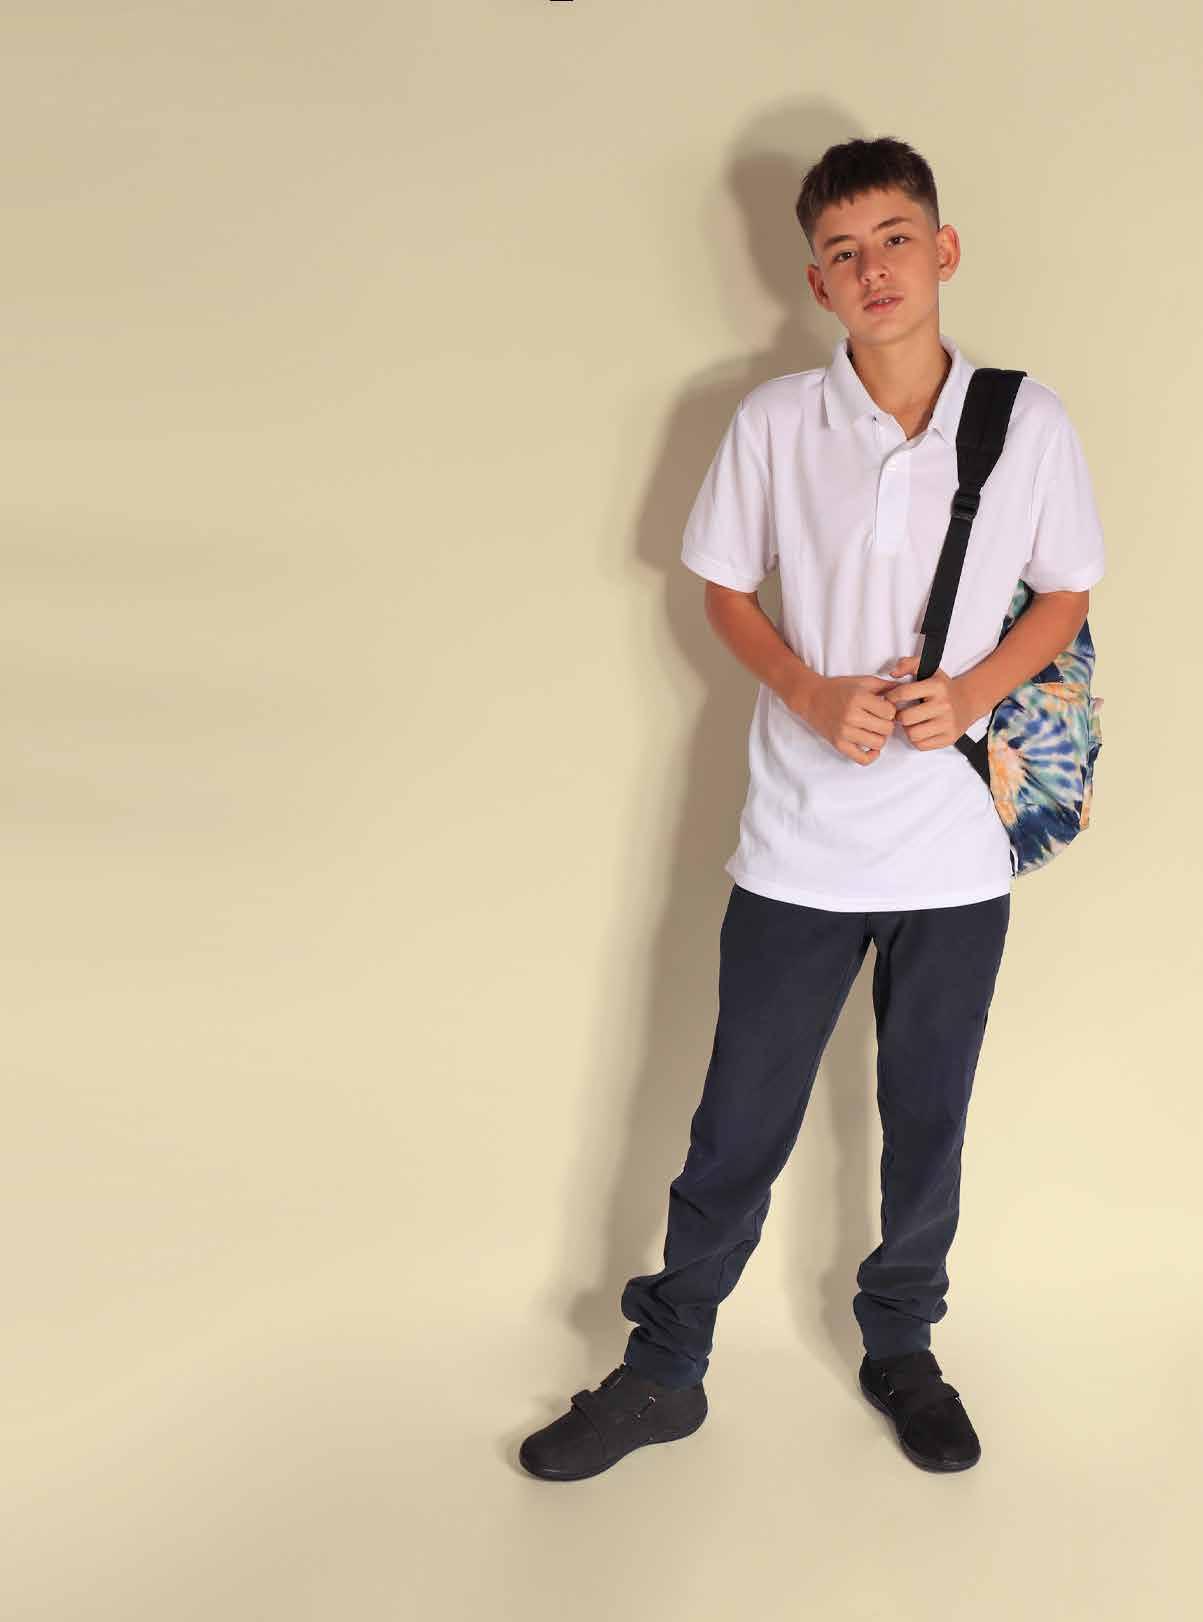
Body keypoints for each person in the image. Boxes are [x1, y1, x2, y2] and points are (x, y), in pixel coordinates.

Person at [519, 136, 1106, 1482]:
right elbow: (724, 588)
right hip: (800, 841)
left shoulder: (1028, 421)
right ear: (815, 283)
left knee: (928, 1120)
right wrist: (807, 689)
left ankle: (903, 1346)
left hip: (957, 849)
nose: (873, 267)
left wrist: (972, 692)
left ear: (943, 250)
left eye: (895, 237)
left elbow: (1068, 586)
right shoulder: (778, 421)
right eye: (843, 251)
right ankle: (666, 1368)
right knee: (739, 1122)